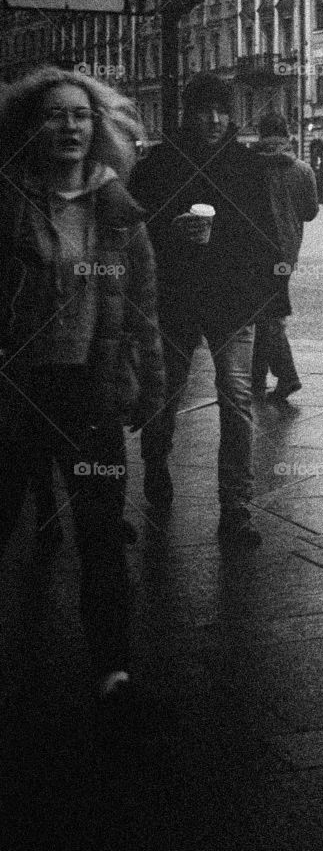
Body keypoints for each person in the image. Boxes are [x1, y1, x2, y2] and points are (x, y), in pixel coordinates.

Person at [0, 68, 165, 724]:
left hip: (88, 395)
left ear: (98, 128)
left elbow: (144, 312)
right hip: (15, 394)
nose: (69, 126)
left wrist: (150, 389)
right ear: (30, 128)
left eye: (81, 116)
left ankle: (115, 672)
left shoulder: (117, 209)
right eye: (55, 115)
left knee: (100, 534)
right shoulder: (8, 201)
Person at [129, 73, 282, 547]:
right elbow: (138, 236)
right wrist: (167, 234)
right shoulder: (157, 165)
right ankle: (156, 462)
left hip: (232, 301)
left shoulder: (248, 165)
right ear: (188, 114)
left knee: (236, 399)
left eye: (221, 110)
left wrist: (269, 300)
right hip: (174, 300)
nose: (214, 119)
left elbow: (266, 238)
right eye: (203, 110)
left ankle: (236, 509)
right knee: (166, 393)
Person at [250, 111, 319, 402]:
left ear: (260, 134)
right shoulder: (302, 169)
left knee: (266, 314)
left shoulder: (251, 167)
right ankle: (258, 377)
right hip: (286, 251)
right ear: (288, 133)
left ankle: (286, 375)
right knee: (268, 312)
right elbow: (310, 212)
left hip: (255, 249)